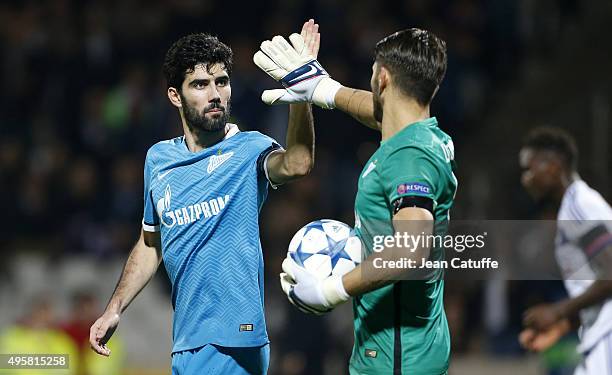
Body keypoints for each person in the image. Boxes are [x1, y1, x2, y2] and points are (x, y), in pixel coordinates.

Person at [88, 32, 316, 375]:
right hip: (187, 341)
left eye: (221, 82)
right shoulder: (159, 160)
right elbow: (151, 244)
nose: (214, 95)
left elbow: (297, 163)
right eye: (200, 85)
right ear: (174, 96)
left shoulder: (249, 149)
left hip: (233, 339)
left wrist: (302, 92)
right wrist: (114, 307)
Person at [254, 21, 456, 374]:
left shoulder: (409, 156)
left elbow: (412, 249)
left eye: (373, 74)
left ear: (382, 80)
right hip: (408, 346)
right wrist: (321, 89)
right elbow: (379, 112)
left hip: (398, 355)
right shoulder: (424, 135)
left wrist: (332, 290)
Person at [518, 127, 612, 375]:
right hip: (598, 336)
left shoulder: (579, 204)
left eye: (530, 169)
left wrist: (557, 311)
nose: (525, 179)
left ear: (553, 166)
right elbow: (598, 289)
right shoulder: (571, 209)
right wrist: (561, 326)